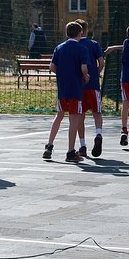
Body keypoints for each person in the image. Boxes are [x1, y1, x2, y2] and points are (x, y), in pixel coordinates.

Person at [43, 21, 90, 163]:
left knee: (59, 116)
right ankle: (70, 151)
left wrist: (62, 74)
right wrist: (86, 75)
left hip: (62, 87)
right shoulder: (82, 49)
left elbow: (51, 66)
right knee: (74, 119)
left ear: (66, 33)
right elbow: (83, 67)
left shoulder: (59, 48)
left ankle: (49, 146)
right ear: (80, 33)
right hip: (75, 87)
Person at [76, 19, 105, 157]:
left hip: (79, 85)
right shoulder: (93, 44)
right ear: (86, 30)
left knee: (80, 116)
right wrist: (96, 73)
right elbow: (101, 62)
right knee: (97, 113)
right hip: (93, 85)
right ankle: (98, 134)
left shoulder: (74, 45)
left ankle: (82, 146)